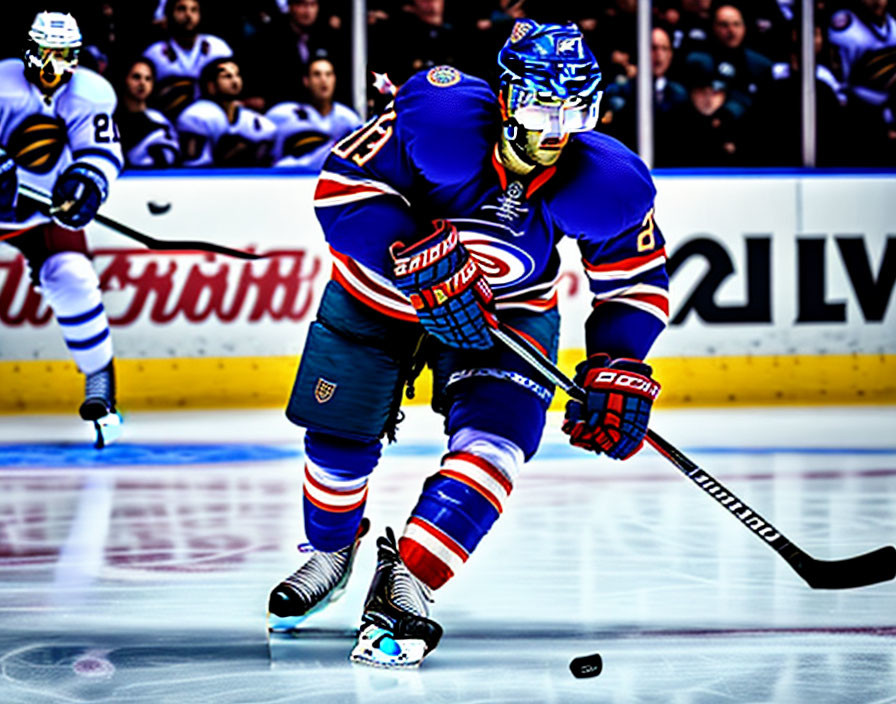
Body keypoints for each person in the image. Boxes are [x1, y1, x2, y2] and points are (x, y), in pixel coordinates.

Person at [267, 20, 668, 668]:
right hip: (379, 294)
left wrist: (618, 360)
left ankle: (410, 583)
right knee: (338, 439)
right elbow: (341, 187)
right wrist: (405, 247)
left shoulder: (606, 181)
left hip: (508, 314)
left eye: (577, 108)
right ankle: (330, 550)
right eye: (542, 104)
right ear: (508, 96)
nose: (557, 127)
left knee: (499, 444)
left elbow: (637, 279)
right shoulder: (442, 119)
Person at [0, 11, 124, 448]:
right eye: (47, 56)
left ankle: (100, 381)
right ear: (30, 51)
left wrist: (87, 183)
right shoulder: (2, 84)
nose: (55, 68)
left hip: (39, 214)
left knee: (73, 278)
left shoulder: (89, 94)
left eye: (65, 56)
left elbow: (101, 153)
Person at [142, 0, 233, 121]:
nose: (188, 15)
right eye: (181, 9)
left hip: (216, 120)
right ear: (169, 14)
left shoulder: (218, 48)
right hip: (169, 121)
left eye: (194, 10)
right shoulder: (154, 53)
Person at [176, 58, 276, 167]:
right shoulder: (197, 115)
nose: (235, 81)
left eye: (237, 75)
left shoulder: (254, 120)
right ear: (211, 85)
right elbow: (194, 167)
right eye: (227, 76)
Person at [266, 57, 361, 170]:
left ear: (334, 79)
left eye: (328, 74)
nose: (323, 80)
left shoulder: (349, 118)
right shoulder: (282, 114)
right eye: (317, 74)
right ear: (306, 80)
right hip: (287, 178)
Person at [115, 57, 180, 168]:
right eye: (136, 77)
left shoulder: (159, 121)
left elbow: (168, 159)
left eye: (148, 79)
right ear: (124, 79)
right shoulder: (112, 120)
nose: (142, 83)